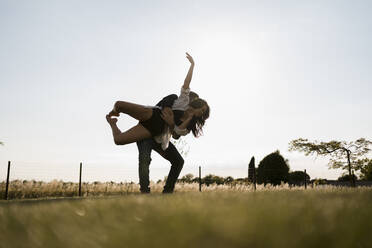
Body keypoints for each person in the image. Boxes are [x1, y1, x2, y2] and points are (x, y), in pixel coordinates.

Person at [106, 52, 210, 149]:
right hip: (153, 114)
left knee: (119, 140)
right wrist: (192, 65)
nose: (200, 113)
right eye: (202, 110)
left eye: (202, 114)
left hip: (155, 129)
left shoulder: (189, 125)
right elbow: (186, 83)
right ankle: (114, 112)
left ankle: (112, 123)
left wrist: (176, 122)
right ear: (198, 104)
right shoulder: (184, 101)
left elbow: (177, 133)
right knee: (118, 105)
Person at [137, 91, 200, 193]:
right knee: (144, 158)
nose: (190, 106)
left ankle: (168, 191)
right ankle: (144, 191)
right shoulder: (173, 99)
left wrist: (173, 124)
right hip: (145, 134)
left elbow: (176, 136)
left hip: (161, 139)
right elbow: (162, 111)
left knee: (178, 161)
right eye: (190, 102)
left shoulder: (185, 117)